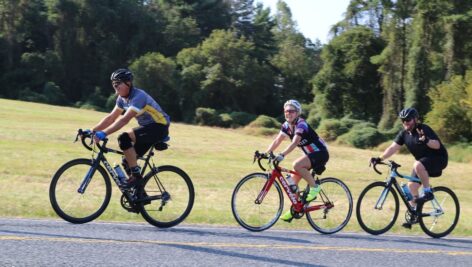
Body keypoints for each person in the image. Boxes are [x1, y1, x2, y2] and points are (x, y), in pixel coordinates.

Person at [91, 68, 170, 187]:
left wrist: (104, 133)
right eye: (113, 84)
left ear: (128, 83)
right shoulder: (121, 99)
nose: (115, 87)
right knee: (127, 161)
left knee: (123, 138)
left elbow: (124, 120)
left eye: (118, 83)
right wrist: (92, 131)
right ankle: (139, 197)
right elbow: (111, 118)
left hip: (159, 126)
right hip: (148, 128)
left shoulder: (138, 96)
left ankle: (136, 177)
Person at [371, 107, 448, 228]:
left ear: (415, 119)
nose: (405, 122)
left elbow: (437, 145)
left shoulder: (423, 129)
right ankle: (415, 214)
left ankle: (428, 192)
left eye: (408, 119)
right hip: (422, 163)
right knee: (411, 186)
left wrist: (426, 140)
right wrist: (379, 158)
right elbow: (392, 148)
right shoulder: (404, 134)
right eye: (403, 120)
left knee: (417, 164)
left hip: (439, 159)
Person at [265, 99, 329, 222]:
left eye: (291, 111)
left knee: (297, 165)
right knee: (291, 184)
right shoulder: (286, 126)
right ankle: (295, 209)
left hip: (320, 153)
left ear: (297, 113)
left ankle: (315, 188)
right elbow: (277, 140)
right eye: (286, 111)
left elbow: (295, 142)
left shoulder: (301, 124)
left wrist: (282, 155)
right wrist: (266, 153)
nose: (288, 113)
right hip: (310, 155)